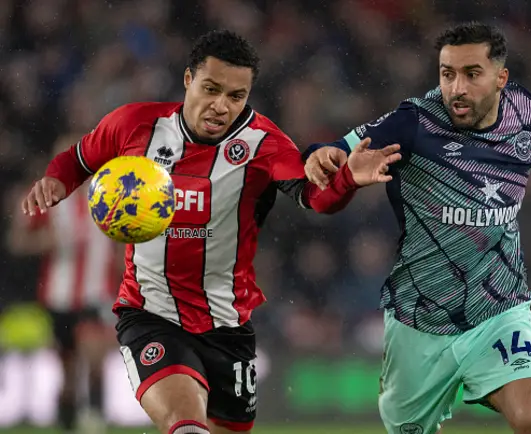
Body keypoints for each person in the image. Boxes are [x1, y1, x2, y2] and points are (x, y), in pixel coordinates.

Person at [21, 30, 400, 434]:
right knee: (185, 424)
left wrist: (346, 182)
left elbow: (316, 198)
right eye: (211, 89)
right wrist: (56, 181)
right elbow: (78, 159)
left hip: (227, 324)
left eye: (236, 96)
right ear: (188, 80)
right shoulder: (134, 125)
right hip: (151, 312)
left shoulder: (263, 143)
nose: (221, 106)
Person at [304, 22, 531, 434]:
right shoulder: (414, 122)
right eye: (447, 74)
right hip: (420, 319)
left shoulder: (523, 111)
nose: (456, 88)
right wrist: (319, 155)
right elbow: (335, 149)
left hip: (498, 309)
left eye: (471, 74)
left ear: (501, 79)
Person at [8, 134, 122, 434]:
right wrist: (49, 240)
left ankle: (95, 419)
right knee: (68, 372)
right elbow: (17, 241)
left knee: (94, 353)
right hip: (59, 297)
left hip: (98, 293)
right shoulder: (47, 200)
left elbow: (125, 244)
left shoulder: (112, 197)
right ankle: (68, 421)